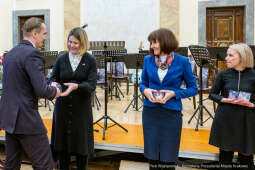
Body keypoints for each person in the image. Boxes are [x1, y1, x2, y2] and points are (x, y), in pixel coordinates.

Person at [0, 17, 61, 170]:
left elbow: (21, 84)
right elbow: (41, 90)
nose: (45, 38)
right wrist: (56, 91)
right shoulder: (33, 54)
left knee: (11, 165)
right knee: (44, 165)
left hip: (9, 117)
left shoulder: (10, 54)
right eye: (44, 34)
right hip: (26, 119)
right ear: (34, 34)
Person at [140, 28, 198, 170]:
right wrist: (145, 90)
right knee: (153, 158)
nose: (152, 46)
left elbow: (193, 88)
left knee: (168, 158)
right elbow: (142, 83)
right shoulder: (148, 60)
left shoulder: (183, 61)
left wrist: (174, 94)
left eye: (155, 42)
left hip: (171, 114)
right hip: (150, 113)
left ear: (165, 41)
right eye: (151, 43)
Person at [50, 27, 97, 170]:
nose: (71, 45)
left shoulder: (90, 60)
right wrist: (53, 84)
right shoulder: (61, 58)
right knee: (62, 148)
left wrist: (76, 86)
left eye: (75, 43)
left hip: (81, 110)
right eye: (69, 41)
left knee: (81, 149)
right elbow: (52, 77)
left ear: (83, 43)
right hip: (62, 108)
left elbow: (92, 85)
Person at [209, 43, 255, 170]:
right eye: (227, 55)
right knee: (225, 159)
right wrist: (225, 99)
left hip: (247, 121)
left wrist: (252, 104)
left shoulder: (253, 75)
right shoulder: (223, 74)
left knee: (246, 160)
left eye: (230, 55)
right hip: (226, 120)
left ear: (242, 57)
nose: (226, 58)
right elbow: (212, 94)